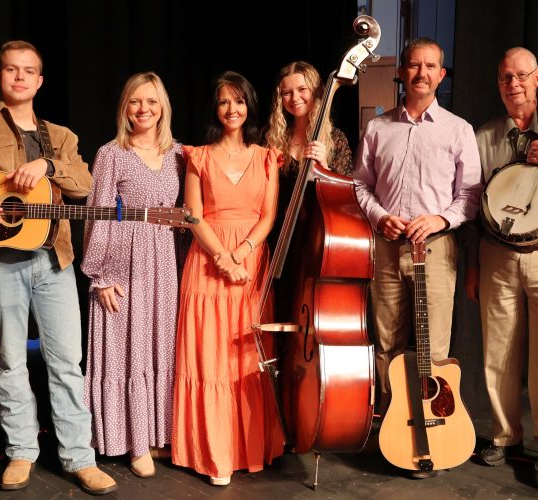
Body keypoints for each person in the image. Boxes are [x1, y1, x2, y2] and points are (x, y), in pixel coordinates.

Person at [0, 41, 116, 494]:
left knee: (66, 362)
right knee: (10, 361)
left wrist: (47, 164)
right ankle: (21, 452)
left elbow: (84, 185)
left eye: (29, 71)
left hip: (53, 259)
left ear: (40, 81)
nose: (20, 77)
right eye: (12, 69)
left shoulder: (59, 136)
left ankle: (79, 457)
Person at [353, 37, 482, 454]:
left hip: (437, 249)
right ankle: (393, 433)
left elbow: (470, 194)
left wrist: (440, 219)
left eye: (430, 66)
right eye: (414, 65)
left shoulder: (458, 130)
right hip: (387, 248)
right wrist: (379, 216)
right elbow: (360, 185)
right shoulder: (377, 128)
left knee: (434, 350)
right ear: (401, 72)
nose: (421, 73)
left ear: (441, 75)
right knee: (387, 345)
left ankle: (435, 435)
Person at [171, 71, 284, 485]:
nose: (231, 109)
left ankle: (248, 448)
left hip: (251, 263)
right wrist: (222, 257)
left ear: (249, 106)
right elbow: (193, 215)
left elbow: (268, 216)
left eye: (238, 101)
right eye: (223, 102)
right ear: (215, 109)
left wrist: (241, 254)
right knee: (209, 357)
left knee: (245, 358)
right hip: (207, 262)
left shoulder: (267, 157)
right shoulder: (198, 156)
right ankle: (214, 453)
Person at [81, 72, 186, 478]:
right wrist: (101, 276)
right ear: (125, 108)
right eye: (135, 101)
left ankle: (158, 435)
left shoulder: (179, 153)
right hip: (122, 264)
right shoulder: (112, 153)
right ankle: (133, 441)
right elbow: (98, 216)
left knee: (160, 348)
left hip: (164, 265)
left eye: (151, 101)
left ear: (163, 108)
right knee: (128, 351)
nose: (144, 109)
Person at [464, 47, 538, 466]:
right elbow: (472, 206)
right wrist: (473, 266)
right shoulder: (484, 137)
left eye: (522, 75)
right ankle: (505, 437)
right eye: (506, 77)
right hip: (495, 255)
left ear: (537, 78)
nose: (514, 84)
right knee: (499, 351)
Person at [265, 60, 353, 321]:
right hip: (278, 238)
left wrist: (325, 167)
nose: (295, 98)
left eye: (302, 89)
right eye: (287, 92)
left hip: (318, 239)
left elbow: (348, 197)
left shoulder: (335, 140)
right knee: (279, 309)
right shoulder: (271, 139)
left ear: (316, 92)